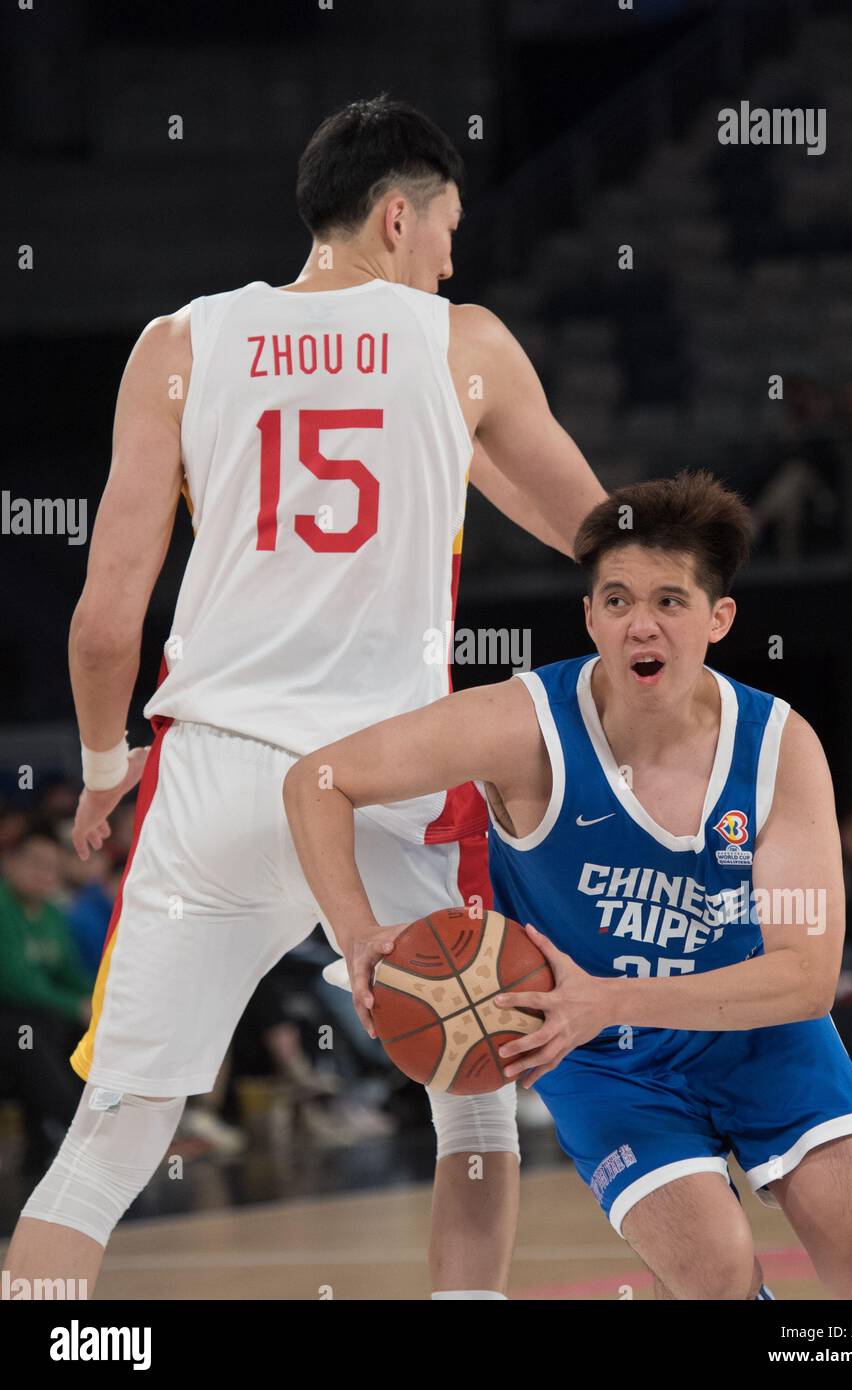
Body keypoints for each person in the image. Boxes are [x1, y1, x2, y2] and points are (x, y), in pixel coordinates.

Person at [2, 95, 605, 1301]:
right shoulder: (463, 344)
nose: (450, 255)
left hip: (216, 769)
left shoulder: (177, 345)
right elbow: (598, 536)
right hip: (388, 777)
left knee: (112, 1132)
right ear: (396, 218)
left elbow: (105, 619)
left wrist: (107, 763)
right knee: (470, 1098)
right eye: (445, 230)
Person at [283, 471, 852, 1299]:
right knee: (714, 1276)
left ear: (717, 619)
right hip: (604, 1060)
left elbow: (804, 977)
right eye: (614, 601)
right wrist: (356, 931)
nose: (638, 624)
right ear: (588, 616)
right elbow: (318, 781)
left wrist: (608, 997)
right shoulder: (522, 725)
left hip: (752, 1029)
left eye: (668, 602)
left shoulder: (777, 748)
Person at [0, 821, 92, 1172]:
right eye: (36, 863)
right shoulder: (3, 908)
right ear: (11, 861)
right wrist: (75, 1006)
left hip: (44, 1017)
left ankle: (109, 1129)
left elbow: (69, 973)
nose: (45, 874)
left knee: (87, 1031)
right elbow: (15, 983)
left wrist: (98, 1005)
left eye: (53, 867)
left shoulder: (53, 914)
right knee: (31, 1034)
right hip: (9, 1016)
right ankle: (75, 1135)